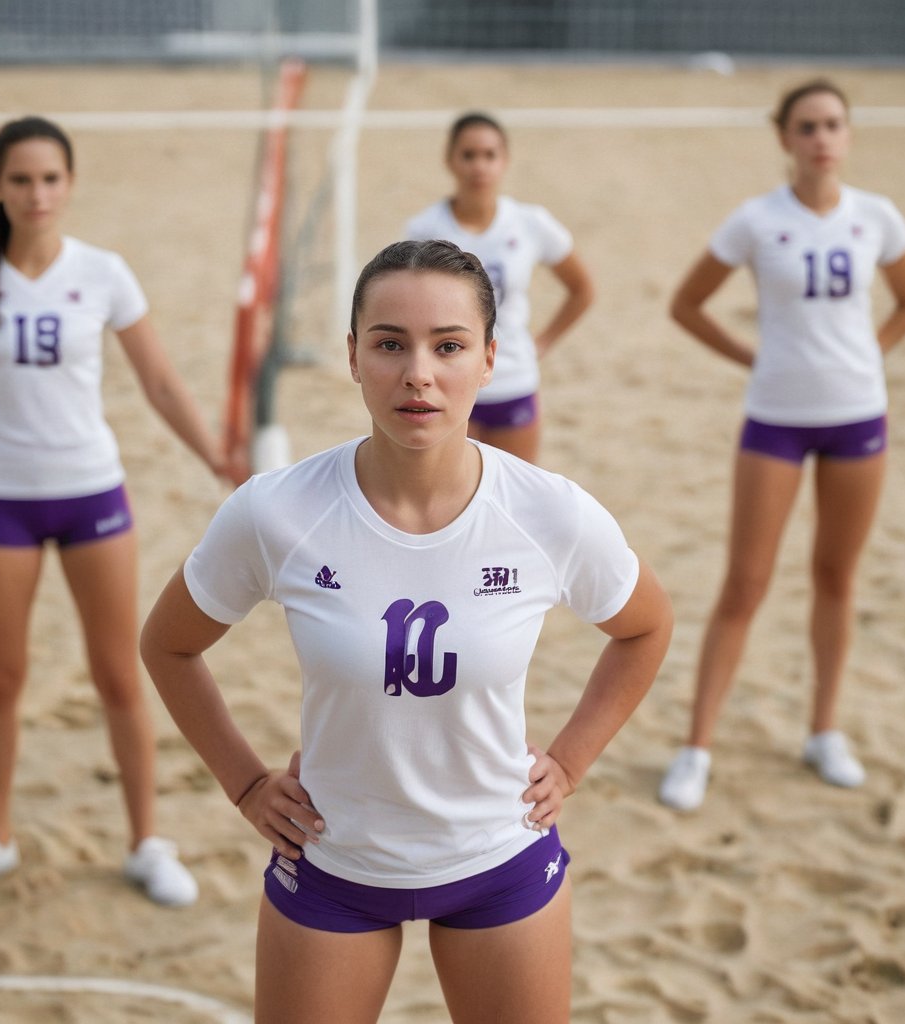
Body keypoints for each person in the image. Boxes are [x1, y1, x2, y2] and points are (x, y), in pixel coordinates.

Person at [140, 239, 672, 1023]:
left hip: (501, 860)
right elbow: (168, 644)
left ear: (489, 360)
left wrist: (570, 759)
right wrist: (247, 784)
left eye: (448, 346)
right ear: (353, 356)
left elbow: (646, 628)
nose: (418, 373)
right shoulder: (277, 510)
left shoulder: (547, 513)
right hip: (333, 863)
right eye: (390, 344)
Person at [0, 116, 236, 903]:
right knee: (1, 677)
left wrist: (217, 457)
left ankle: (145, 842)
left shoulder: (104, 272)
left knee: (118, 674)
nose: (37, 194)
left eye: (51, 179)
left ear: (70, 184)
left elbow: (161, 384)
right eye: (21, 179)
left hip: (93, 492)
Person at [658, 79, 905, 812]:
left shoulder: (876, 216)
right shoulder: (755, 220)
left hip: (858, 418)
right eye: (807, 126)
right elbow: (685, 305)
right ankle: (697, 746)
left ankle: (823, 730)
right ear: (784, 137)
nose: (822, 138)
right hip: (775, 417)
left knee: (836, 577)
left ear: (848, 134)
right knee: (745, 582)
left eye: (834, 124)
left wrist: (871, 354)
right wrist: (753, 359)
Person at [405, 112, 594, 463]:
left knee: (514, 504)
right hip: (451, 384)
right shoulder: (424, 229)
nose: (479, 166)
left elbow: (582, 288)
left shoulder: (530, 223)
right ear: (450, 160)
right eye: (468, 155)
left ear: (504, 161)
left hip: (513, 380)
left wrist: (542, 343)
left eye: (489, 155)